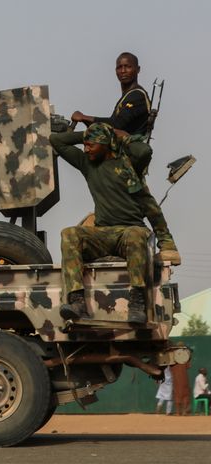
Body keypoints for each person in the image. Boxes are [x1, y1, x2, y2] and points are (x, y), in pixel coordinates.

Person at [70, 52, 180, 265]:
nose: (123, 71)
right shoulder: (127, 96)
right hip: (119, 159)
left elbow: (115, 125)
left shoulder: (137, 96)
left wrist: (85, 118)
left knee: (142, 197)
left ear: (138, 69)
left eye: (128, 67)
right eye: (119, 67)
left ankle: (166, 243)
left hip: (130, 158)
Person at [50, 123, 152, 323]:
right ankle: (77, 301)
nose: (85, 149)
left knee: (136, 234)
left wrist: (118, 135)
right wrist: (87, 135)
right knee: (70, 233)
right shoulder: (87, 163)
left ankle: (137, 301)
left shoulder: (126, 164)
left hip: (128, 233)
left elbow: (145, 151)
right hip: (103, 234)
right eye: (84, 145)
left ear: (105, 144)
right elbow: (56, 140)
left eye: (91, 145)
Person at [170, 350, 192, 416]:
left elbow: (170, 368)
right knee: (185, 395)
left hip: (176, 380)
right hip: (184, 379)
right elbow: (189, 366)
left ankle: (178, 412)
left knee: (177, 395)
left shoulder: (172, 359)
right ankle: (184, 411)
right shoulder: (184, 358)